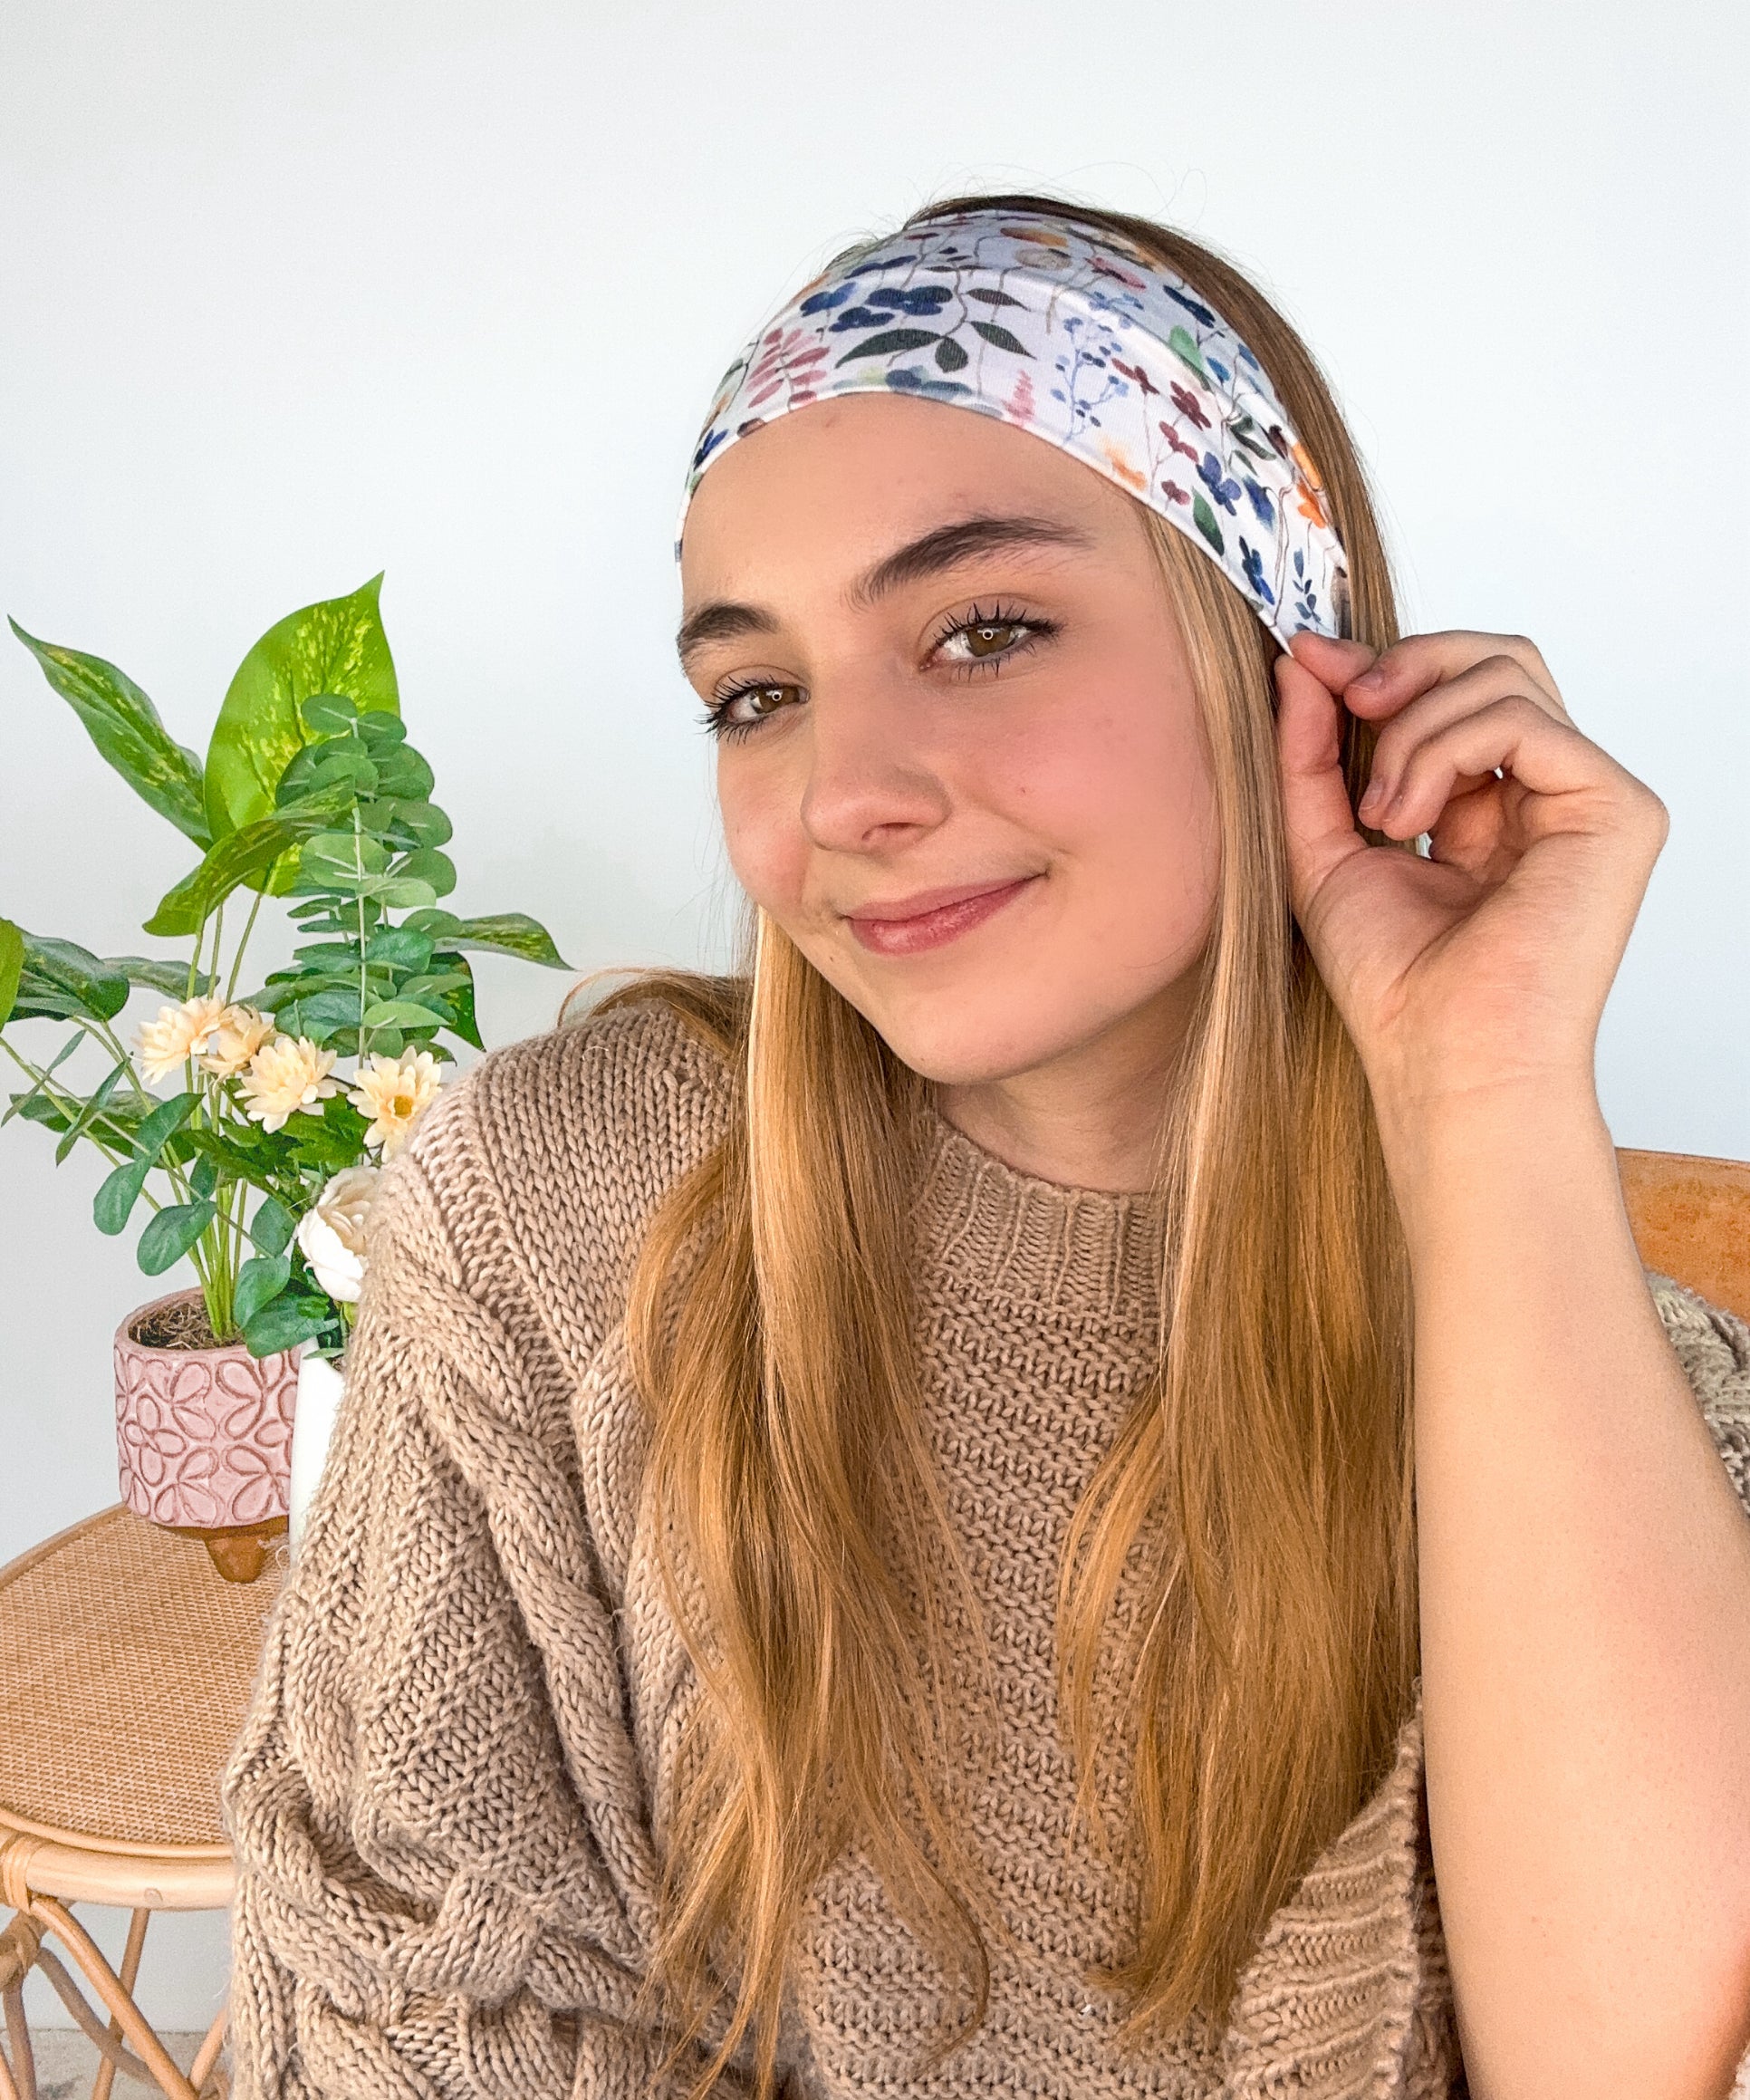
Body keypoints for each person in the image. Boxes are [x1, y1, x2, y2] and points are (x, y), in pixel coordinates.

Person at [221, 197, 1750, 2099]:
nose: (843, 796)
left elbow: (1628, 2066)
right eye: (758, 696)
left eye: (985, 631)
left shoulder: (1590, 1371)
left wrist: (1492, 1078)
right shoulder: (567, 1207)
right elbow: (405, 2002)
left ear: (1284, 663)